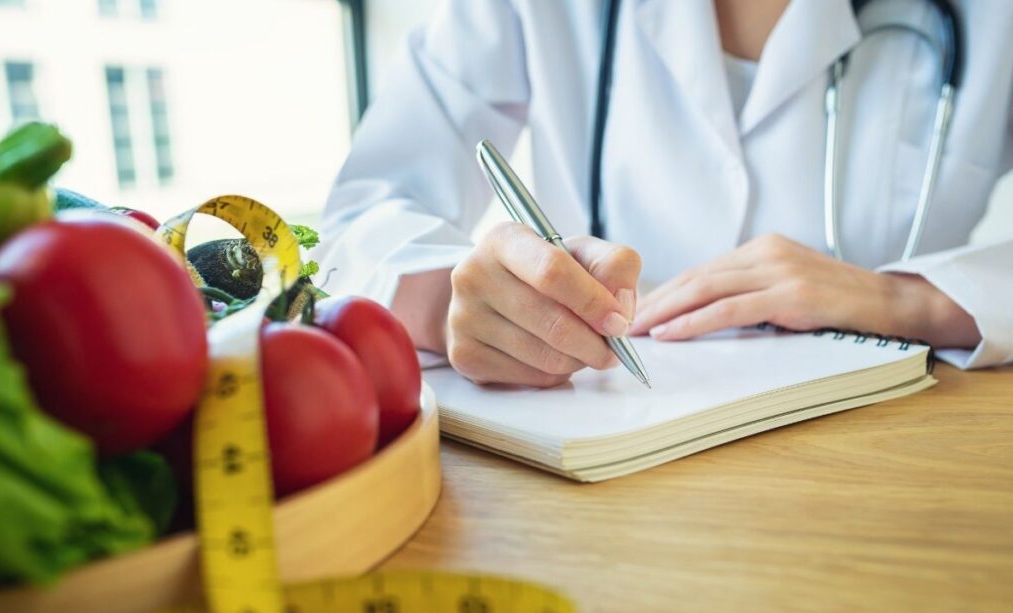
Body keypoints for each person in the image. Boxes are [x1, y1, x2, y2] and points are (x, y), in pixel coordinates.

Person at [311, 0, 1013, 387]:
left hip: (890, 478)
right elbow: (358, 220)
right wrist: (450, 306)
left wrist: (914, 300)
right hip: (610, 477)